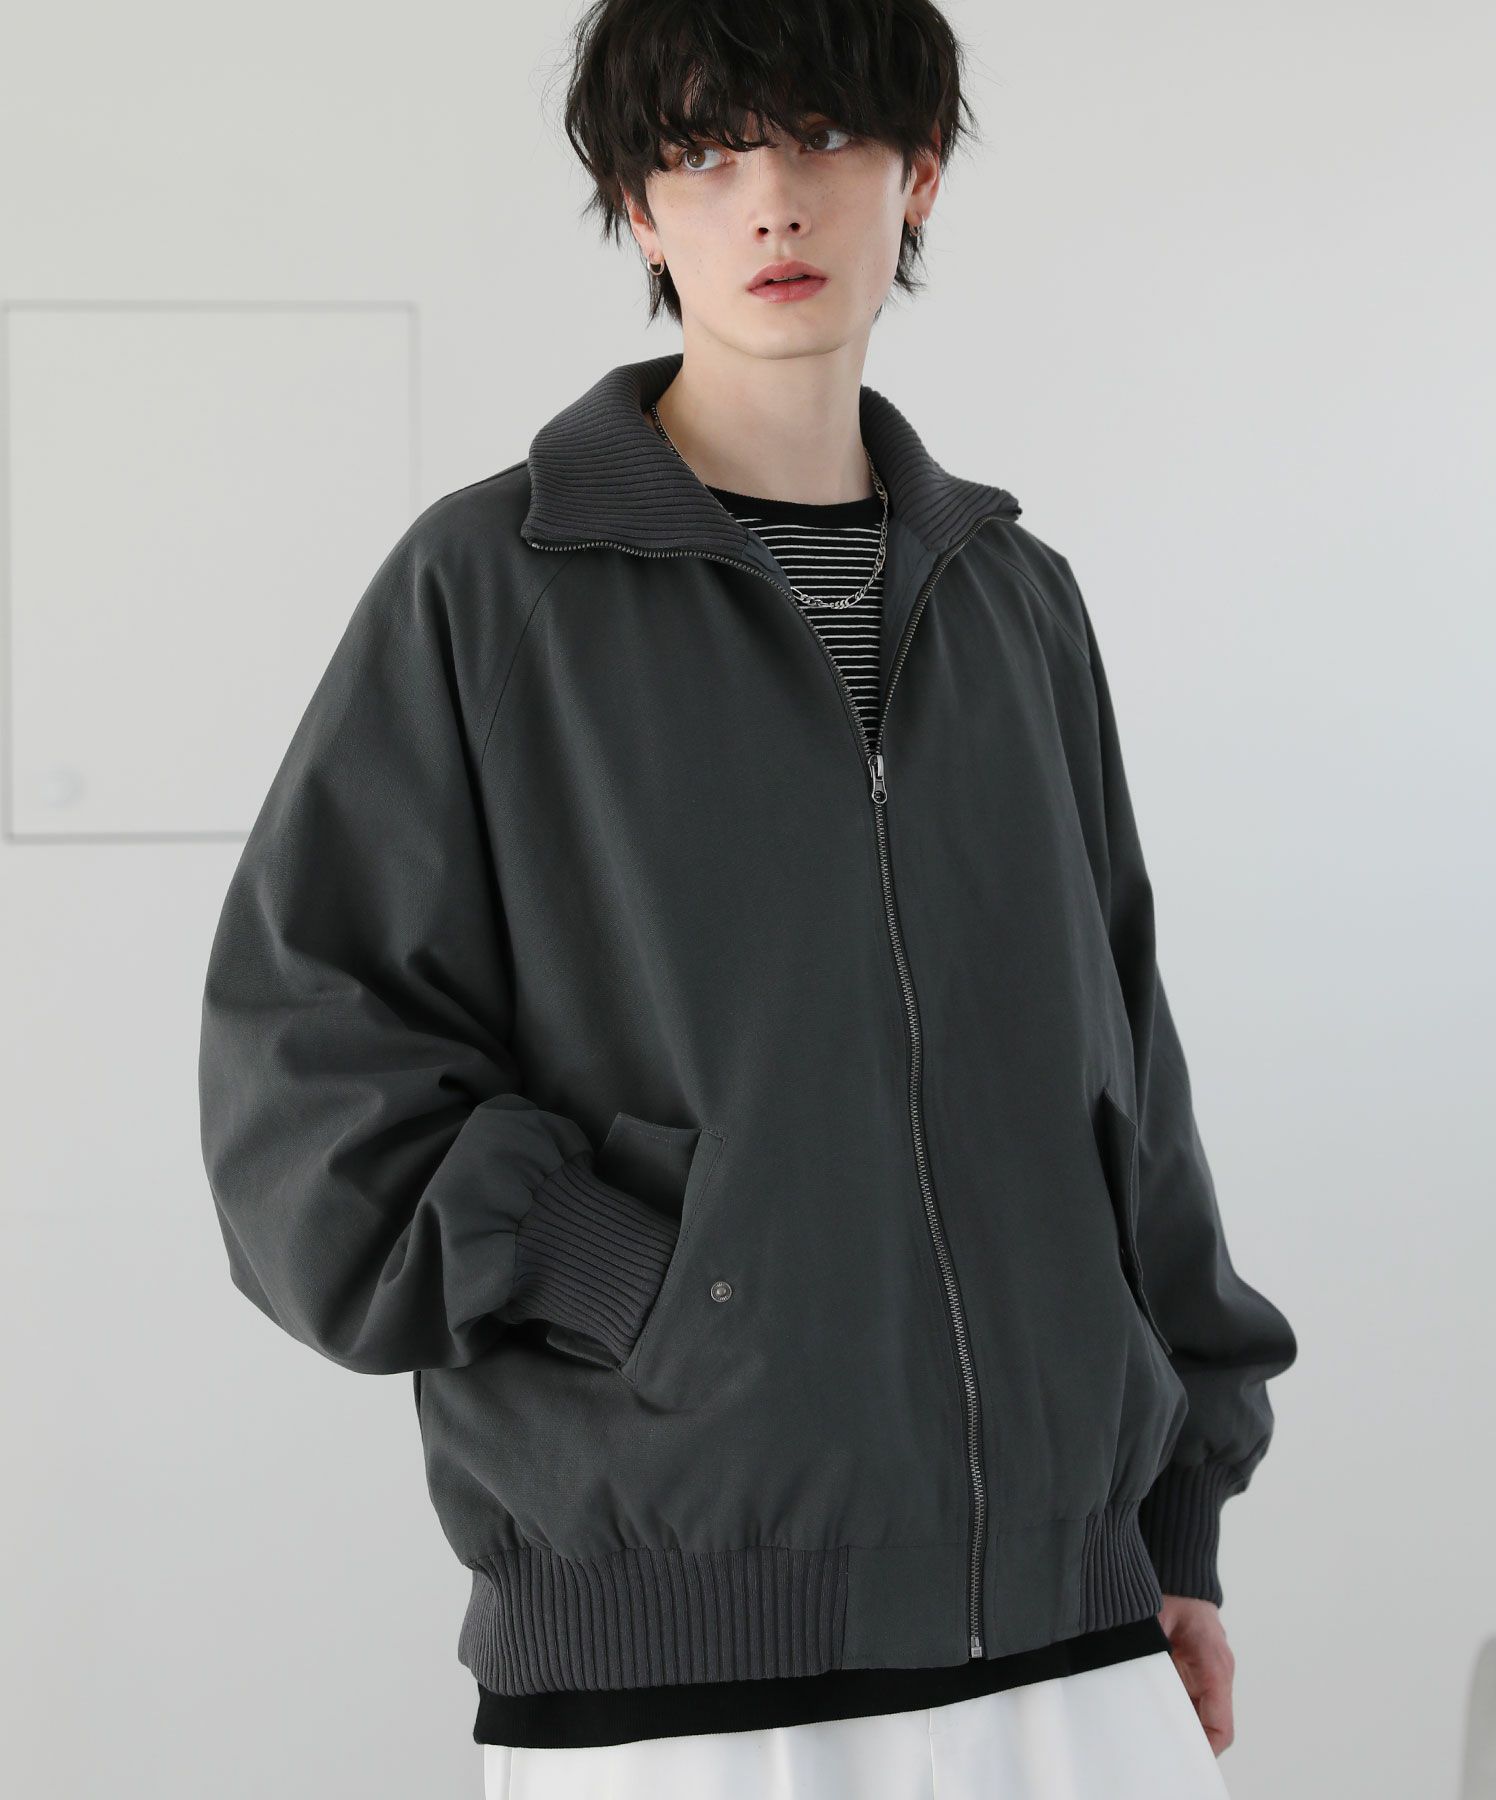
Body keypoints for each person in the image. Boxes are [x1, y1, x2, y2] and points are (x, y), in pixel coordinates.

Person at [197, 1, 1298, 1793]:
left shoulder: (1016, 602)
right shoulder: (492, 590)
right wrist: (629, 1273)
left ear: (916, 175)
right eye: (705, 157)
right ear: (640, 211)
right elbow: (298, 1091)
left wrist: (1179, 1528)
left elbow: (1131, 1086)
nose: (770, 201)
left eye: (822, 139)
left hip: (1078, 1638)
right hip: (686, 1685)